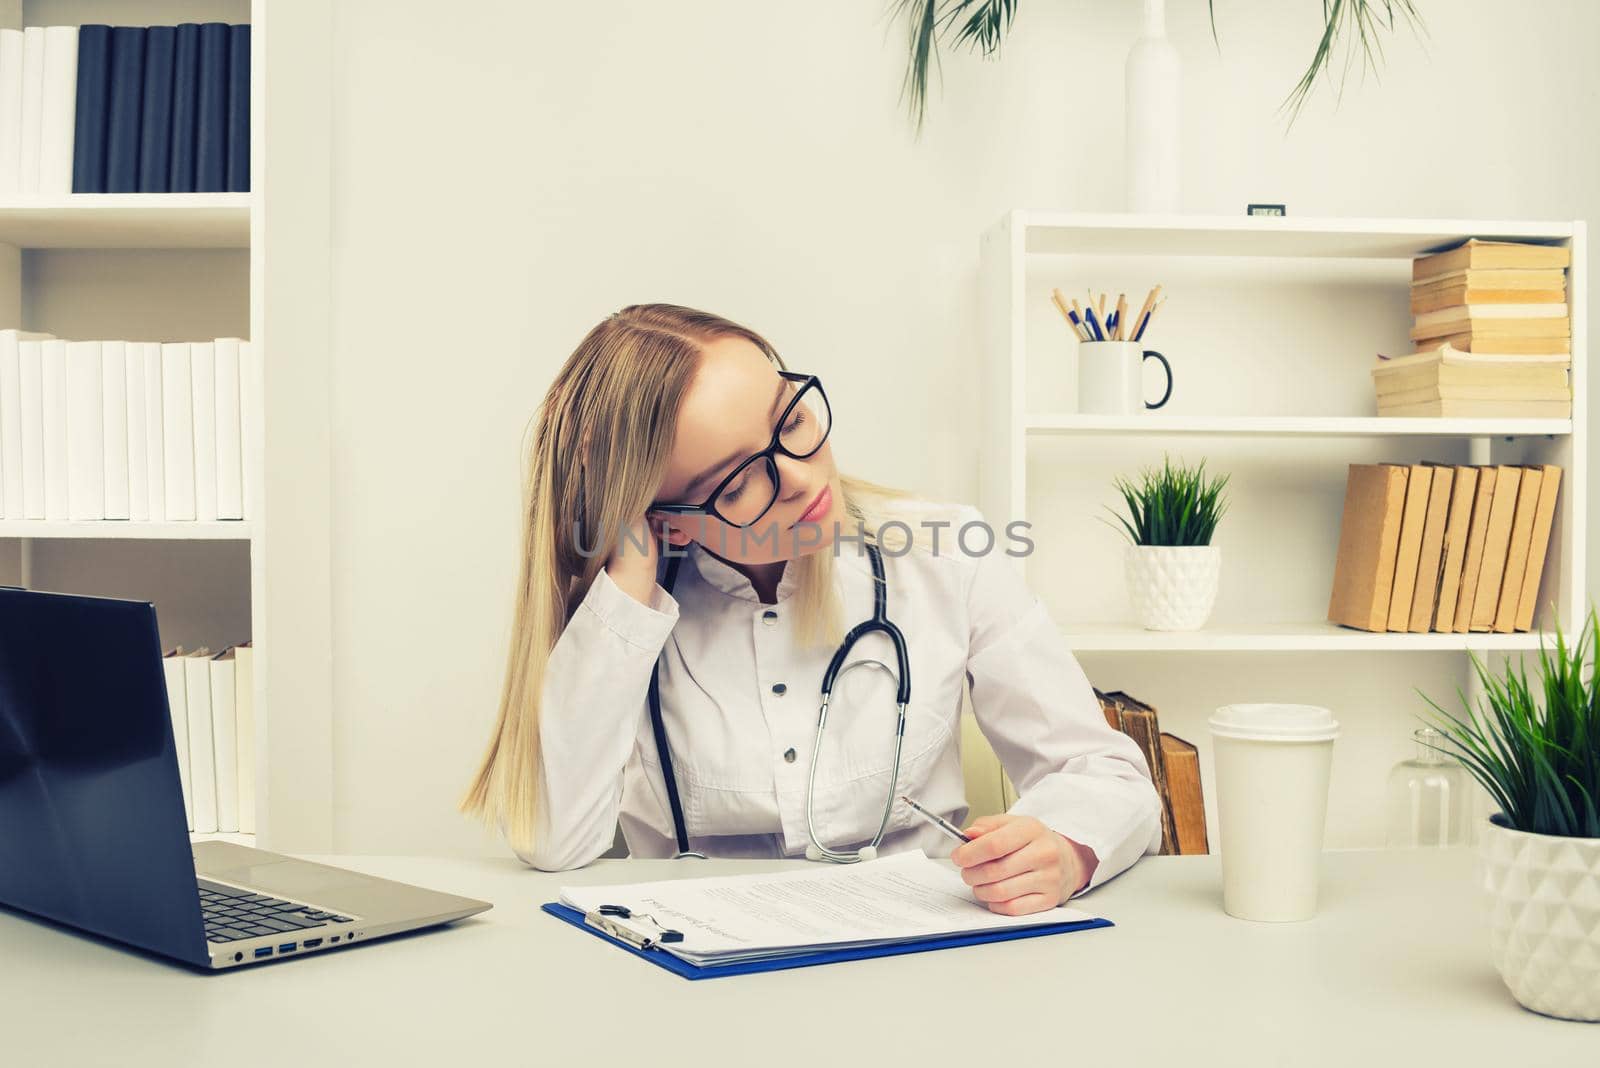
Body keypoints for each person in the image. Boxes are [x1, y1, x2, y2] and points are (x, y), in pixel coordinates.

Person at [461, 303, 1162, 915]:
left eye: (791, 420)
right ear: (666, 518)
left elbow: (1103, 775)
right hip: (698, 988)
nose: (800, 478)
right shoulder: (629, 614)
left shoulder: (947, 553)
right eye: (737, 484)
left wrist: (1064, 852)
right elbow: (557, 843)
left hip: (918, 971)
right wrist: (631, 571)